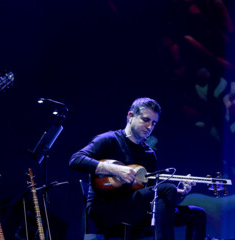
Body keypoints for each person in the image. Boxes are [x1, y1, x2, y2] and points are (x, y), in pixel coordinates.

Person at [69, 97, 206, 240]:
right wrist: (115, 169)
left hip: (135, 209)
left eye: (154, 123)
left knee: (197, 213)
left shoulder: (149, 155)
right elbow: (75, 160)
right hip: (105, 210)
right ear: (130, 116)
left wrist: (178, 194)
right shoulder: (109, 140)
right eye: (145, 120)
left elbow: (153, 196)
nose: (149, 126)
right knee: (167, 189)